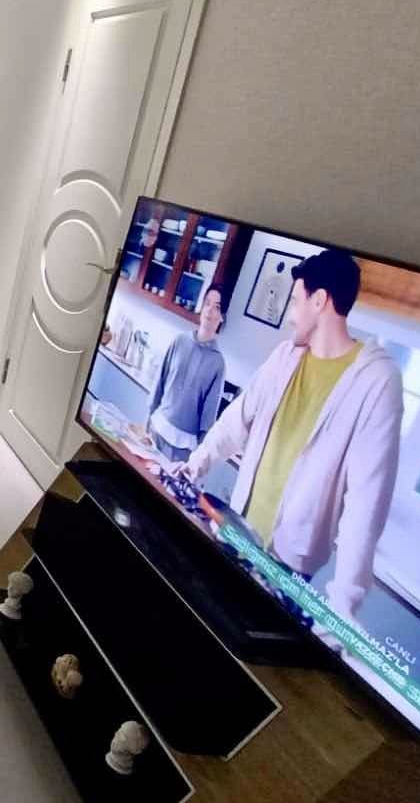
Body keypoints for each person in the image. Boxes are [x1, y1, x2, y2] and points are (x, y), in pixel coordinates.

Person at [169, 249, 403, 622]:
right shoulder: (285, 356)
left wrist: (343, 606)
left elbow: (367, 502)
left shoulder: (377, 381)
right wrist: (194, 466)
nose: (291, 315)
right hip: (236, 528)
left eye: (295, 301)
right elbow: (235, 421)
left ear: (319, 301)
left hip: (288, 563)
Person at [145, 286, 228, 462]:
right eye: (207, 303)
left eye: (217, 307)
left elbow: (208, 417)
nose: (209, 310)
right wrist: (148, 421)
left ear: (222, 316)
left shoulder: (218, 363)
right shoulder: (179, 341)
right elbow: (159, 383)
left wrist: (197, 457)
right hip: (156, 430)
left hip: (182, 449)